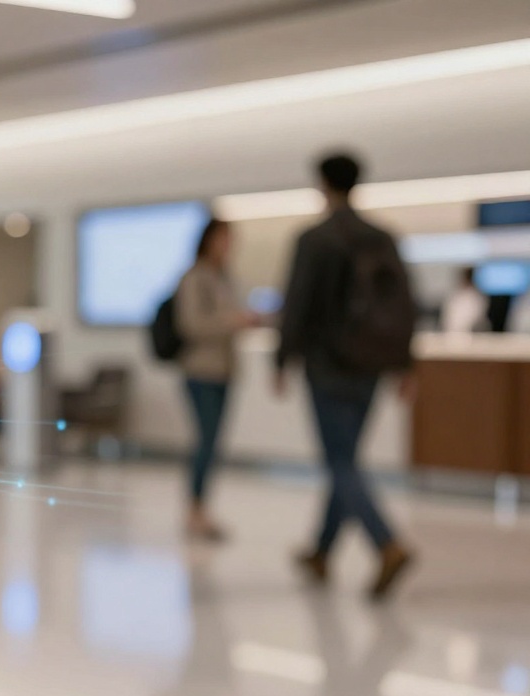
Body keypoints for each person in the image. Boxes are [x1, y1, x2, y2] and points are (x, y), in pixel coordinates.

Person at [276, 153, 415, 599]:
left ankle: (386, 543)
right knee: (346, 457)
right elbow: (405, 305)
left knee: (340, 461)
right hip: (370, 364)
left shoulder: (315, 240)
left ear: (322, 184)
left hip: (327, 365)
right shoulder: (381, 238)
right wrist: (405, 363)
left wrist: (282, 359)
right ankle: (321, 551)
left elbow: (297, 305)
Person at [176, 219, 256, 541]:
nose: (228, 246)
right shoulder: (195, 278)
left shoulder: (224, 278)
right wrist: (232, 322)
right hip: (200, 371)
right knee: (205, 442)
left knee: (213, 443)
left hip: (224, 371)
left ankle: (200, 507)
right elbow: (191, 324)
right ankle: (196, 510)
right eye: (223, 239)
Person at [440, 266, 488, 333]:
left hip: (471, 336)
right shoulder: (454, 295)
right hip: (452, 334)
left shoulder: (477, 297)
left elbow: (478, 321)